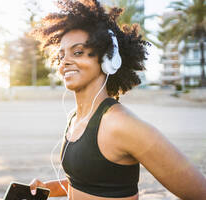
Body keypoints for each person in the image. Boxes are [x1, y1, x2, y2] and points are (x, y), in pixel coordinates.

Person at [29, 0, 206, 199]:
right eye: (61, 55)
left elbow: (199, 191)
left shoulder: (121, 124)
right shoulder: (74, 118)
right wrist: (49, 188)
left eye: (78, 52)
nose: (65, 62)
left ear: (107, 59)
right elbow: (91, 180)